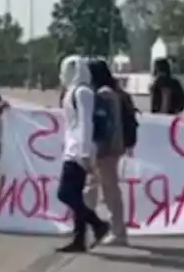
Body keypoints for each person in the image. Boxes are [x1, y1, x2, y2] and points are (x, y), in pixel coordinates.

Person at [55, 55, 110, 253]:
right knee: (75, 194)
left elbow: (87, 123)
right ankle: (80, 239)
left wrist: (85, 152)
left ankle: (97, 224)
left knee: (65, 193)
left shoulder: (83, 92)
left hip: (79, 150)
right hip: (73, 147)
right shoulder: (72, 91)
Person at [86, 58, 131, 246]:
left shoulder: (103, 95)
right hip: (111, 147)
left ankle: (117, 230)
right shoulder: (114, 92)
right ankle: (97, 226)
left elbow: (104, 124)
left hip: (106, 149)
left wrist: (99, 148)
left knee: (108, 189)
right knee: (97, 187)